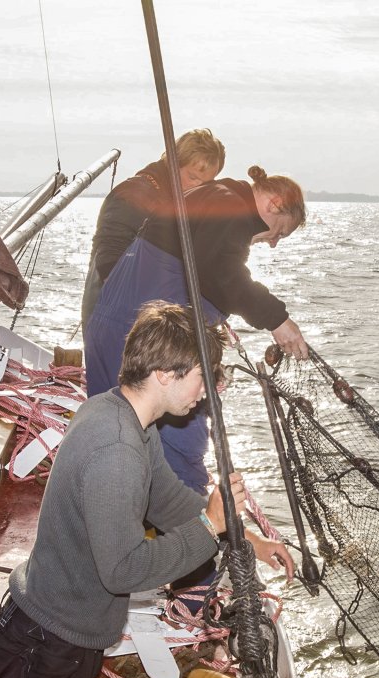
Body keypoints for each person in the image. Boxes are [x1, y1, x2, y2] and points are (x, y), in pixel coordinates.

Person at [0, 301, 294, 678]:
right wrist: (208, 525)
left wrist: (242, 536)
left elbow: (168, 501)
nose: (204, 391)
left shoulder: (123, 418)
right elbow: (121, 570)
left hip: (66, 632)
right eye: (200, 378)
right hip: (48, 640)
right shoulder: (117, 448)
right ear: (166, 375)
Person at [84, 164, 309, 496]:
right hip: (150, 346)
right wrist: (278, 320)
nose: (274, 243)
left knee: (109, 442)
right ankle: (198, 537)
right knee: (182, 454)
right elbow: (223, 274)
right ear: (274, 204)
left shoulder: (213, 198)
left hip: (112, 328)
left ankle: (111, 522)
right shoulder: (230, 206)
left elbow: (201, 271)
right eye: (280, 232)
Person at [80, 129, 226, 327]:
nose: (198, 187)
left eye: (206, 184)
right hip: (114, 315)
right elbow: (109, 264)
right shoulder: (133, 194)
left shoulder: (180, 203)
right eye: (193, 177)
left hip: (152, 317)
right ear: (173, 165)